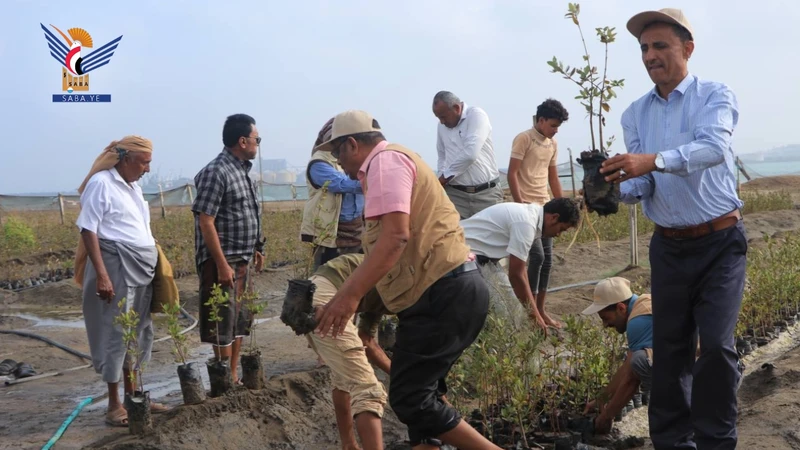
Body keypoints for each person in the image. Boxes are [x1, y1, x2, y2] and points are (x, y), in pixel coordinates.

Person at [599, 9, 747, 449]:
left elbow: (713, 149)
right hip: (669, 247)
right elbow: (644, 183)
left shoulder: (714, 96)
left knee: (717, 347)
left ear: (687, 48)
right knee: (669, 352)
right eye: (644, 48)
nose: (650, 55)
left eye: (660, 45)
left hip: (720, 243)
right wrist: (614, 189)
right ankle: (671, 442)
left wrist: (654, 160)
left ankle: (716, 442)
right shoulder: (635, 114)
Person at [313, 110, 502, 450]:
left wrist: (348, 297)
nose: (341, 164)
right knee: (425, 395)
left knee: (410, 399)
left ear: (352, 145)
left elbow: (394, 238)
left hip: (443, 293)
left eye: (338, 153)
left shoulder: (384, 163)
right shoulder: (393, 161)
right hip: (452, 291)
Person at [74, 136, 169, 426]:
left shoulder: (134, 188)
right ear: (125, 159)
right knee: (115, 333)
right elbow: (88, 229)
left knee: (138, 330)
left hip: (140, 267)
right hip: (115, 266)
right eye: (144, 162)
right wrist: (102, 275)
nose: (147, 169)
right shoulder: (101, 183)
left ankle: (135, 396)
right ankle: (115, 404)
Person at [192, 114, 266, 385]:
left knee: (239, 320)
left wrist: (257, 247)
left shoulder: (242, 171)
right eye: (257, 139)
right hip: (223, 259)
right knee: (222, 322)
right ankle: (223, 380)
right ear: (242, 141)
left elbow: (247, 213)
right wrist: (221, 263)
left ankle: (233, 375)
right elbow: (205, 220)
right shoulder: (217, 171)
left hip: (243, 257)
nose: (258, 144)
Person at [306, 253, 392, 450]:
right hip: (326, 296)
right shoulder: (404, 279)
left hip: (316, 292)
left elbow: (367, 340)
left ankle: (349, 445)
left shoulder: (390, 286)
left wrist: (399, 374)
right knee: (369, 390)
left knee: (343, 377)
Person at [460, 198, 580, 332]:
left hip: (485, 259)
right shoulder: (526, 224)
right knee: (505, 316)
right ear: (554, 217)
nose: (558, 234)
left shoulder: (531, 217)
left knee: (515, 311)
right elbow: (516, 275)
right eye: (561, 229)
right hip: (464, 256)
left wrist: (535, 313)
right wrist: (535, 317)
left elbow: (521, 271)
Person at [507, 98, 570, 328]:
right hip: (527, 210)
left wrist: (562, 204)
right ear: (541, 120)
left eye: (558, 127)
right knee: (537, 257)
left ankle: (541, 310)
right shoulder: (524, 138)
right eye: (553, 125)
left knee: (548, 260)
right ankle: (528, 311)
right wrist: (520, 203)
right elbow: (512, 173)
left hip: (546, 209)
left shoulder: (552, 145)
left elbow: (553, 177)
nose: (555, 130)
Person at [580, 277, 654, 435]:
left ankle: (673, 410)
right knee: (637, 359)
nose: (605, 325)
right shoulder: (645, 301)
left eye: (606, 318)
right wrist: (603, 398)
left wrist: (606, 417)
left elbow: (631, 378)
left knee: (640, 360)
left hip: (697, 369)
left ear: (621, 308)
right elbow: (626, 368)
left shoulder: (637, 322)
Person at [301, 117, 365, 270]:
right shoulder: (318, 163)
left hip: (356, 231)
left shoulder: (353, 158)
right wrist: (373, 179)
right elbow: (343, 184)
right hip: (330, 232)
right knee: (326, 277)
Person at [433, 91, 503, 219]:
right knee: (455, 237)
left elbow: (470, 154)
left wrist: (443, 178)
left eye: (443, 117)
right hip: (456, 195)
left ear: (456, 108)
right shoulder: (441, 126)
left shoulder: (476, 116)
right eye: (438, 118)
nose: (441, 122)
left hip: (486, 195)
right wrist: (440, 178)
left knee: (490, 237)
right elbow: (442, 156)